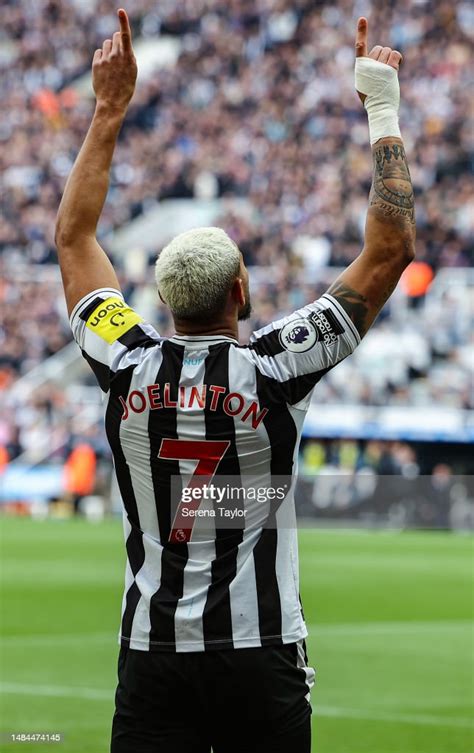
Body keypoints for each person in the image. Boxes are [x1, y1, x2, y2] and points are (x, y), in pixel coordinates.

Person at [55, 9, 415, 752]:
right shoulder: (275, 368)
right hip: (261, 649)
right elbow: (390, 250)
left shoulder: (123, 360)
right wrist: (381, 103)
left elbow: (74, 237)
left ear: (160, 302)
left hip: (152, 655)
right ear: (242, 292)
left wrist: (110, 108)